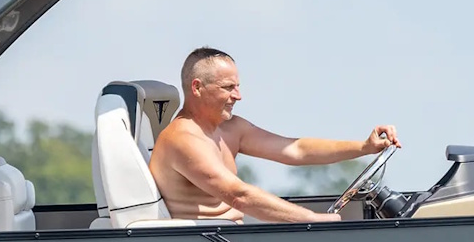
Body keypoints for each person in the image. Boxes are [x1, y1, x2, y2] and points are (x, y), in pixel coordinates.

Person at [148, 47, 399, 223]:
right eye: (228, 88)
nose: (238, 96)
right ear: (197, 88)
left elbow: (295, 150)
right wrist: (311, 219)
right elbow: (239, 195)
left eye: (238, 86)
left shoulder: (230, 129)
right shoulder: (183, 138)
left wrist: (364, 147)